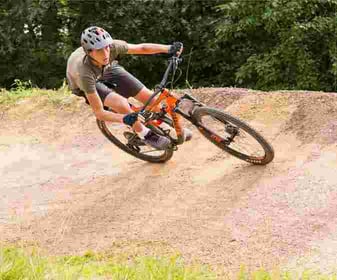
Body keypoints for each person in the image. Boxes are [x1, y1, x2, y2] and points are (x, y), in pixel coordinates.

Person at [66, 26, 192, 150]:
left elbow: (141, 48)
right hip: (88, 81)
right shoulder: (83, 73)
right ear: (89, 52)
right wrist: (125, 118)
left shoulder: (112, 46)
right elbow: (99, 113)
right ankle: (144, 134)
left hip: (108, 69)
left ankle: (166, 126)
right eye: (99, 50)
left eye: (106, 48)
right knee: (121, 103)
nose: (105, 53)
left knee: (151, 98)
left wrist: (169, 48)